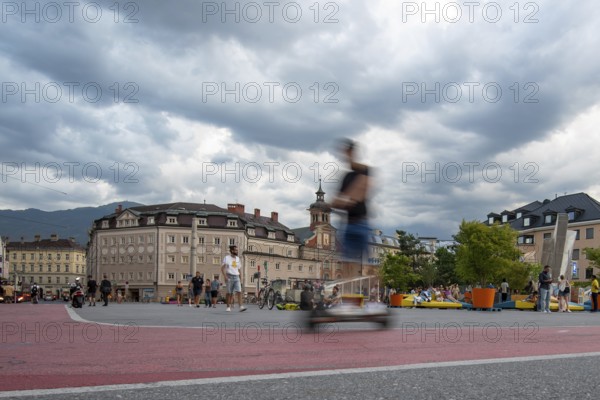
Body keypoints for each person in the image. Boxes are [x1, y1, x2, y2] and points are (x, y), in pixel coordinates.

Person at [331, 138, 371, 278]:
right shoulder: (346, 176)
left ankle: (373, 297)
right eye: (344, 152)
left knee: (367, 263)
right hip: (348, 224)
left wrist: (343, 200)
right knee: (348, 263)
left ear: (352, 152)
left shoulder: (365, 170)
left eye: (347, 151)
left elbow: (359, 194)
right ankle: (350, 297)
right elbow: (338, 200)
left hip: (361, 223)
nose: (345, 155)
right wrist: (343, 200)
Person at [221, 245, 246, 312]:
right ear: (232, 251)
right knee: (229, 293)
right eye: (235, 250)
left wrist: (241, 277)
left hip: (236, 277)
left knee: (239, 291)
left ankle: (241, 306)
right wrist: (225, 276)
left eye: (237, 250)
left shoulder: (238, 259)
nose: (237, 251)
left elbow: (239, 269)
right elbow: (222, 268)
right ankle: (228, 306)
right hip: (229, 276)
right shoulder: (227, 258)